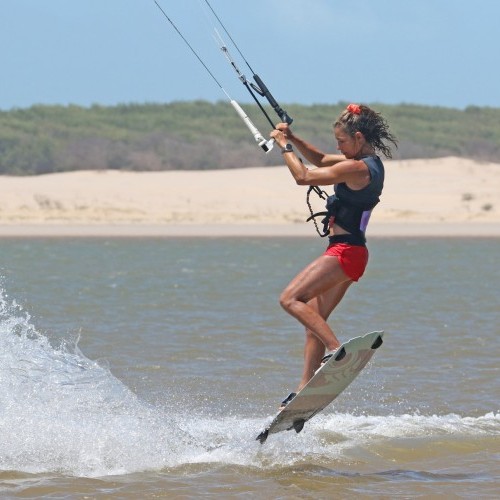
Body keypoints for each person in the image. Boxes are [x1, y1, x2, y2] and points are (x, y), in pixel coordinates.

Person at [270, 103, 398, 409]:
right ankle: (304, 389)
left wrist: (284, 146)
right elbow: (322, 159)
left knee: (290, 300)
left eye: (341, 141)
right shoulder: (367, 163)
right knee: (315, 320)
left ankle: (336, 349)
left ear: (357, 137)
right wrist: (295, 138)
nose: (338, 147)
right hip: (352, 252)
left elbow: (303, 176)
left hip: (346, 251)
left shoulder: (357, 168)